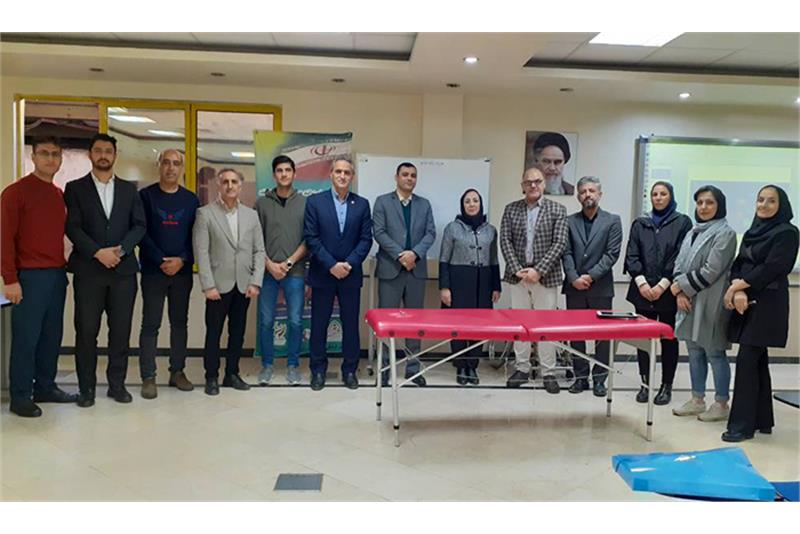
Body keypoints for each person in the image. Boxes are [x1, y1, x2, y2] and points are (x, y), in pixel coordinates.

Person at [65, 133, 146, 407]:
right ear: (90, 154)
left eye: (108, 151)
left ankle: (117, 385)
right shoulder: (75, 188)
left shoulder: (129, 190)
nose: (103, 155)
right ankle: (86, 389)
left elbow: (139, 226)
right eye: (98, 150)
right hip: (89, 271)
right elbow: (72, 227)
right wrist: (98, 252)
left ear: (115, 155)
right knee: (87, 331)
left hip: (123, 273)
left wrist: (121, 251)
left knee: (120, 332)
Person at [1, 136, 77, 417]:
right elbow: (4, 238)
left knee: (50, 336)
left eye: (55, 154)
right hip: (29, 278)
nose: (50, 159)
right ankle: (21, 396)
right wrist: (10, 279)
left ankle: (45, 387)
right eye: (44, 153)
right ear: (33, 157)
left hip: (56, 276)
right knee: (26, 338)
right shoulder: (15, 193)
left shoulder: (58, 194)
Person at [721, 185, 798, 442]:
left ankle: (741, 427)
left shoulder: (787, 232)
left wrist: (737, 287)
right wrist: (738, 288)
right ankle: (762, 420)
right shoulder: (752, 231)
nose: (763, 205)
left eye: (771, 201)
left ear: (781, 205)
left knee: (746, 361)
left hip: (768, 304)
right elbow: (738, 264)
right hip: (747, 300)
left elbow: (774, 267)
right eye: (760, 200)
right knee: (757, 361)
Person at [193, 168, 265, 396]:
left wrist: (255, 281)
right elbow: (201, 252)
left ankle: (232, 373)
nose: (230, 186)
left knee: (237, 333)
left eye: (234, 182)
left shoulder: (251, 215)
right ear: (219, 185)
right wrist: (208, 285)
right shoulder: (205, 214)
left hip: (244, 285)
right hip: (217, 285)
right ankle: (211, 376)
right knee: (214, 333)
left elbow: (259, 251)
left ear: (240, 186)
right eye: (226, 182)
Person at [303, 157, 372, 391]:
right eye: (338, 172)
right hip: (323, 273)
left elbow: (365, 239)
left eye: (347, 172)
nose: (342, 176)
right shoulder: (315, 202)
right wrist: (332, 264)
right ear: (331, 174)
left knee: (350, 325)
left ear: (352, 176)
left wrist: (349, 264)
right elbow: (311, 238)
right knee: (319, 324)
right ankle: (318, 370)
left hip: (350, 275)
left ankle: (350, 370)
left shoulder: (361, 204)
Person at [670, 186, 737, 422]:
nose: (704, 207)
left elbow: (712, 270)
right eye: (700, 202)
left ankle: (721, 403)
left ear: (720, 205)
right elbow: (679, 264)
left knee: (715, 352)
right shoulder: (693, 231)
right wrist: (680, 292)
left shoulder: (726, 233)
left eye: (709, 202)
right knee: (694, 351)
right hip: (689, 299)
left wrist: (681, 287)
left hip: (712, 301)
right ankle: (697, 400)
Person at [137, 149, 199, 399]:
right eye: (166, 162)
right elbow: (141, 232)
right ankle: (148, 376)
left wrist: (182, 260)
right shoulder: (145, 196)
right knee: (150, 324)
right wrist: (160, 260)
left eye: (176, 163)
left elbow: (196, 237)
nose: (171, 168)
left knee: (179, 323)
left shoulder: (191, 200)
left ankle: (177, 372)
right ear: (159, 166)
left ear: (182, 168)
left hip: (182, 273)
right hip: (153, 272)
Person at [623, 181, 692, 406]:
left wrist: (662, 285)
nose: (659, 197)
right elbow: (632, 254)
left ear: (671, 196)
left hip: (669, 290)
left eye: (663, 194)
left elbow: (681, 256)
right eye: (655, 194)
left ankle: (666, 386)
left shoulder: (682, 222)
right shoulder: (640, 223)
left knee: (668, 340)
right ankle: (645, 384)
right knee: (643, 340)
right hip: (641, 291)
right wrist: (642, 283)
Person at [501, 167, 568, 392]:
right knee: (520, 325)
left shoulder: (558, 209)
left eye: (537, 181)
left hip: (545, 277)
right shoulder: (511, 209)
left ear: (544, 184)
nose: (533, 185)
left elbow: (559, 243)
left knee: (546, 326)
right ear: (522, 185)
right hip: (518, 277)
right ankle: (521, 368)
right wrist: (517, 269)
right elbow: (505, 241)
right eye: (528, 182)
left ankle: (548, 372)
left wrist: (538, 271)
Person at [373, 162, 436, 387]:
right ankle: (384, 369)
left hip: (416, 271)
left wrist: (414, 254)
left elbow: (430, 233)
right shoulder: (382, 202)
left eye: (413, 175)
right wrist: (401, 255)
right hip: (391, 269)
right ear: (396, 177)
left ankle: (413, 368)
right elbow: (379, 232)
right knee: (387, 322)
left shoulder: (424, 204)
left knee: (415, 322)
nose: (409, 178)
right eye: (405, 174)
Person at [562, 176, 622, 396]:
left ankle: (599, 379)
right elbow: (565, 252)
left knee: (602, 336)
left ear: (599, 194)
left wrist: (590, 276)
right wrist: (573, 277)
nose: (587, 194)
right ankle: (580, 378)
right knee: (576, 335)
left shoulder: (612, 220)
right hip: (574, 287)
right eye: (583, 191)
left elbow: (611, 254)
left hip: (601, 287)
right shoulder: (569, 221)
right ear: (578, 196)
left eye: (591, 190)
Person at [255, 155, 307, 386]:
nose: (284, 174)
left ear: (294, 173)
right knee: (266, 321)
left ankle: (293, 366)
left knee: (295, 321)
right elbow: (255, 239)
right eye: (279, 170)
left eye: (288, 170)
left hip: (294, 272)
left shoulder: (305, 203)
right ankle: (267, 365)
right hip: (267, 272)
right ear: (274, 174)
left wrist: (288, 264)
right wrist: (269, 264)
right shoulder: (262, 203)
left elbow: (309, 239)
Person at [439, 189, 501, 385]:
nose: (472, 204)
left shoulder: (491, 230)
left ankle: (472, 366)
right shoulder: (452, 228)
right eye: (467, 201)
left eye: (475, 200)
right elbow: (444, 259)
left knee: (479, 326)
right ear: (462, 205)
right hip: (459, 281)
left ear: (480, 204)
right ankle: (460, 365)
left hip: (484, 283)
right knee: (457, 326)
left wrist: (496, 286)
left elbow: (494, 259)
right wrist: (444, 287)